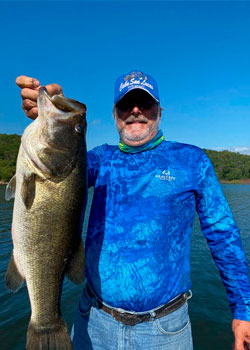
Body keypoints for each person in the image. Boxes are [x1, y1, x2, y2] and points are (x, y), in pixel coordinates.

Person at [16, 71, 250, 350]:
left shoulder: (192, 161)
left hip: (165, 331)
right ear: (115, 114)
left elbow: (223, 236)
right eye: (126, 104)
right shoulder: (100, 159)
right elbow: (60, 171)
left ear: (159, 112)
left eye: (145, 103)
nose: (135, 110)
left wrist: (243, 310)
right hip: (94, 320)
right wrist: (54, 115)